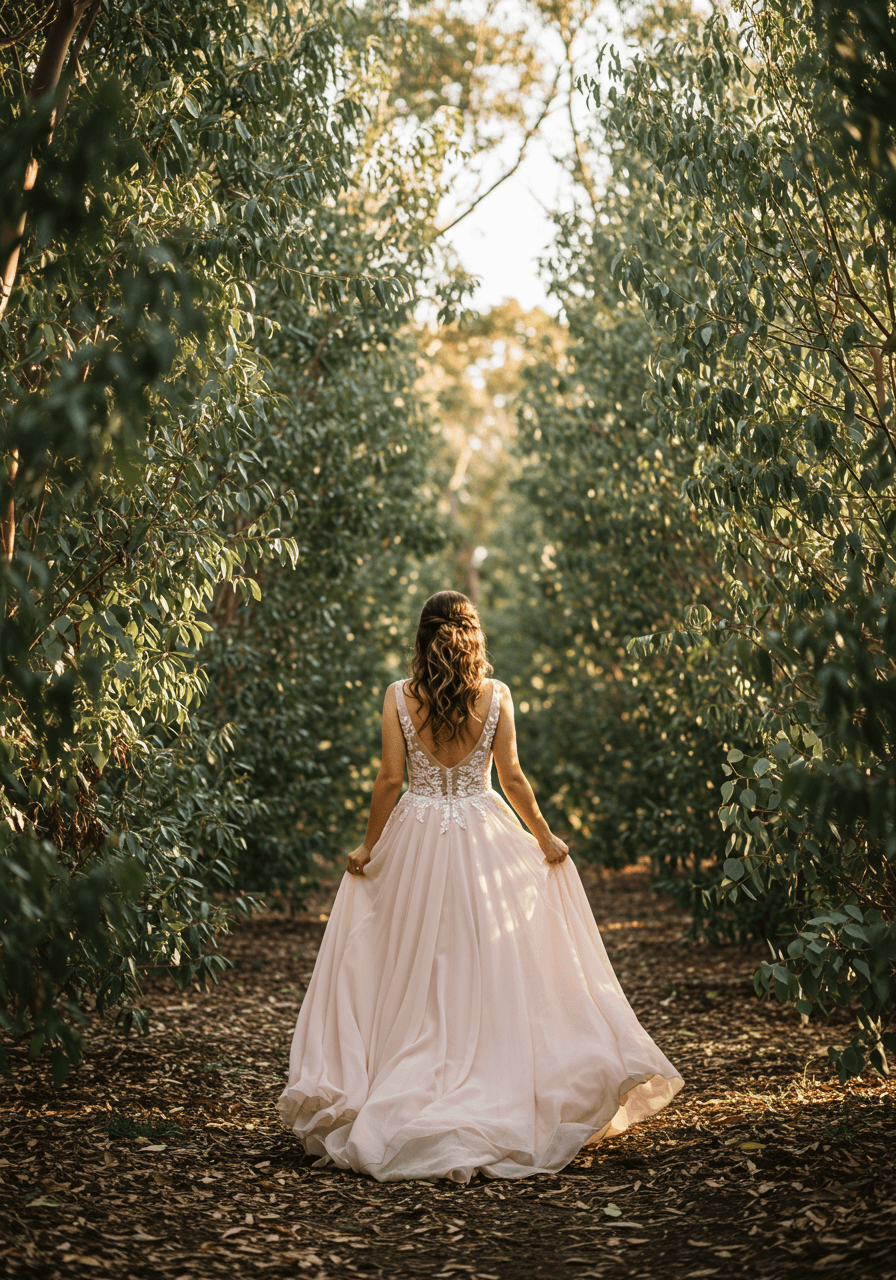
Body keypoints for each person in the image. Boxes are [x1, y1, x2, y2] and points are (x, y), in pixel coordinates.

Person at [277, 590, 683, 1182]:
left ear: (421, 637)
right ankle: (491, 1075)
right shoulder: (495, 696)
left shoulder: (397, 696)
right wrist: (544, 836)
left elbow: (391, 779)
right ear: (474, 637)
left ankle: (405, 1069)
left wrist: (369, 845)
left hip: (415, 831)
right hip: (483, 830)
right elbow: (512, 776)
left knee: (408, 959)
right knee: (488, 956)